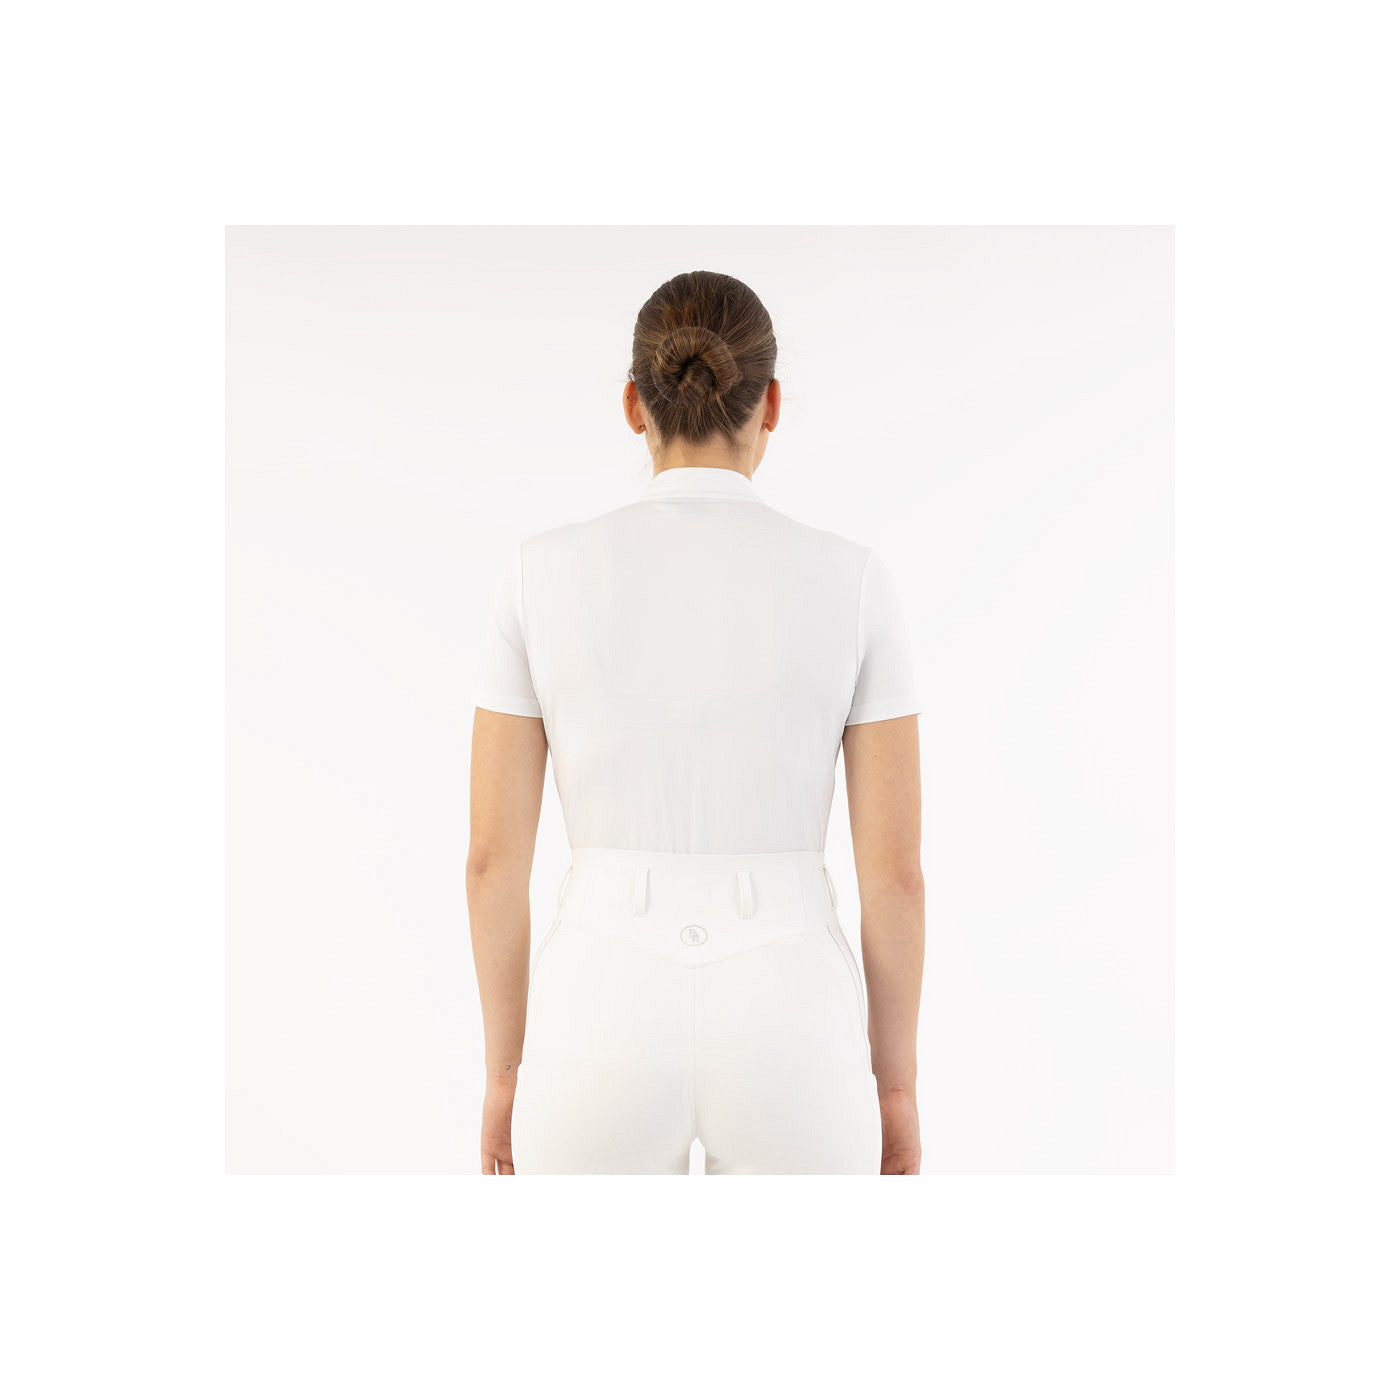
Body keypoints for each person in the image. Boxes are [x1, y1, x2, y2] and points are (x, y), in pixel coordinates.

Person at [467, 270, 924, 1174]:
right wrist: (896, 1089)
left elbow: (491, 863)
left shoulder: (537, 573)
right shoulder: (854, 580)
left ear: (634, 404)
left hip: (596, 1004)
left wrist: (505, 1074)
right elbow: (896, 876)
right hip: (792, 1011)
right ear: (772, 405)